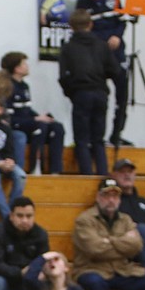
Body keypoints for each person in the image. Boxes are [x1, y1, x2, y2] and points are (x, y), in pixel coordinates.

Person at [58, 9, 117, 175]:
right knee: (98, 140)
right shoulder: (102, 46)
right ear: (90, 24)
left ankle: (86, 176)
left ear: (71, 26)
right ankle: (103, 176)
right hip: (100, 93)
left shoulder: (68, 48)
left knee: (82, 139)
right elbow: (115, 71)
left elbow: (63, 77)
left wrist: (72, 93)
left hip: (81, 94)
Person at [76, 0, 132, 147]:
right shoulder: (83, 3)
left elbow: (122, 22)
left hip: (116, 54)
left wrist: (117, 36)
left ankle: (117, 134)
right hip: (96, 57)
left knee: (122, 97)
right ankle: (96, 138)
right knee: (98, 99)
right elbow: (84, 30)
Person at [0, 51, 65, 175]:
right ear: (17, 68)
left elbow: (27, 110)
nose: (27, 66)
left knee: (57, 127)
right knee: (41, 127)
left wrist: (40, 117)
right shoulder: (7, 87)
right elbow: (9, 116)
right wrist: (36, 120)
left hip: (28, 122)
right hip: (15, 124)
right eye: (24, 64)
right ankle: (35, 168)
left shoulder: (24, 86)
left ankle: (56, 170)